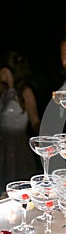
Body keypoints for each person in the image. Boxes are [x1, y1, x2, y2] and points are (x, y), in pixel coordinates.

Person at [0, 51, 41, 196]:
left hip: (18, 145)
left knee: (18, 186)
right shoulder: (3, 91)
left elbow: (35, 121)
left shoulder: (25, 91)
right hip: (3, 143)